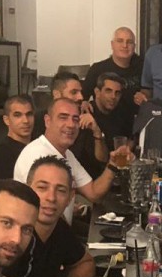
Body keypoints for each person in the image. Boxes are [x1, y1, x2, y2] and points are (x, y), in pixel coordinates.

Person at [14, 96, 126, 225]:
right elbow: (42, 215)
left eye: (75, 119)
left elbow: (94, 193)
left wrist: (113, 164)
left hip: (60, 231)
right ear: (48, 121)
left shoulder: (66, 154)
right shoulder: (36, 155)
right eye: (63, 117)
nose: (71, 125)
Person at [35, 71, 109, 178]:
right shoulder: (38, 119)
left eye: (80, 92)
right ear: (57, 94)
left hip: (83, 181)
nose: (81, 97)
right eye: (74, 92)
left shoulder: (85, 118)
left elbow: (102, 160)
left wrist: (97, 132)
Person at [83, 27, 145, 127]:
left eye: (129, 42)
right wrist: (83, 103)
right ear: (112, 44)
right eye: (120, 41)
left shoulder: (143, 68)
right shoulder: (97, 69)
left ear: (134, 46)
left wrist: (145, 99)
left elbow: (149, 95)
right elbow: (82, 97)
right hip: (103, 126)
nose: (125, 45)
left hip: (133, 126)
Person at [0, 95, 35, 180]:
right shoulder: (2, 156)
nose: (26, 121)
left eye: (29, 114)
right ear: (6, 120)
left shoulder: (39, 144)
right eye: (18, 115)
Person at [89, 72, 132, 145]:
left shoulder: (123, 113)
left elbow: (131, 138)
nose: (113, 96)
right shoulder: (87, 112)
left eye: (117, 93)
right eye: (108, 91)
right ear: (97, 92)